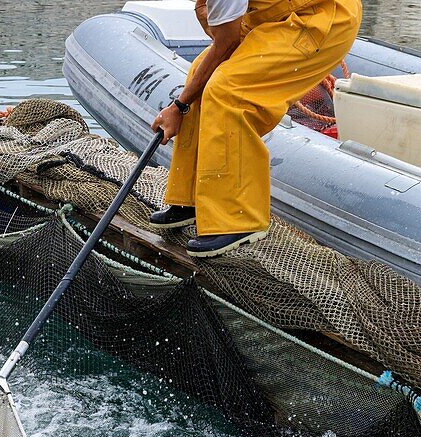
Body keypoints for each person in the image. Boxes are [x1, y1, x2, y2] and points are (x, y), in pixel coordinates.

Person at [150, 0, 362, 257]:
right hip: (273, 17)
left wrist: (179, 106)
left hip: (321, 17)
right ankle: (191, 200)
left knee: (228, 90)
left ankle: (238, 218)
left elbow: (225, 41)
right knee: (200, 72)